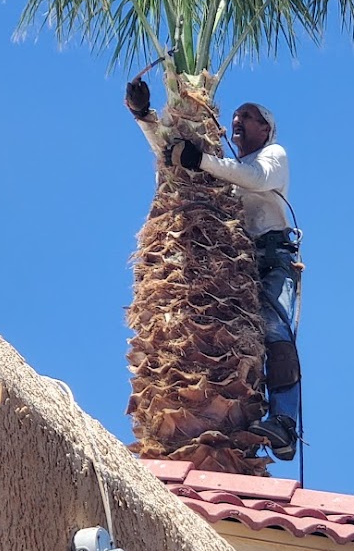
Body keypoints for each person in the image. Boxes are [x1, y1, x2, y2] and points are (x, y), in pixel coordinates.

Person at [126, 83, 301, 461]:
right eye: (236, 115)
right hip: (239, 266)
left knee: (275, 331)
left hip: (273, 259)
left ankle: (285, 423)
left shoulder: (272, 155)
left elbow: (247, 176)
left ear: (266, 129)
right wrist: (144, 117)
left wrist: (199, 160)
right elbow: (176, 158)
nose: (238, 119)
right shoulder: (226, 168)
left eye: (249, 115)